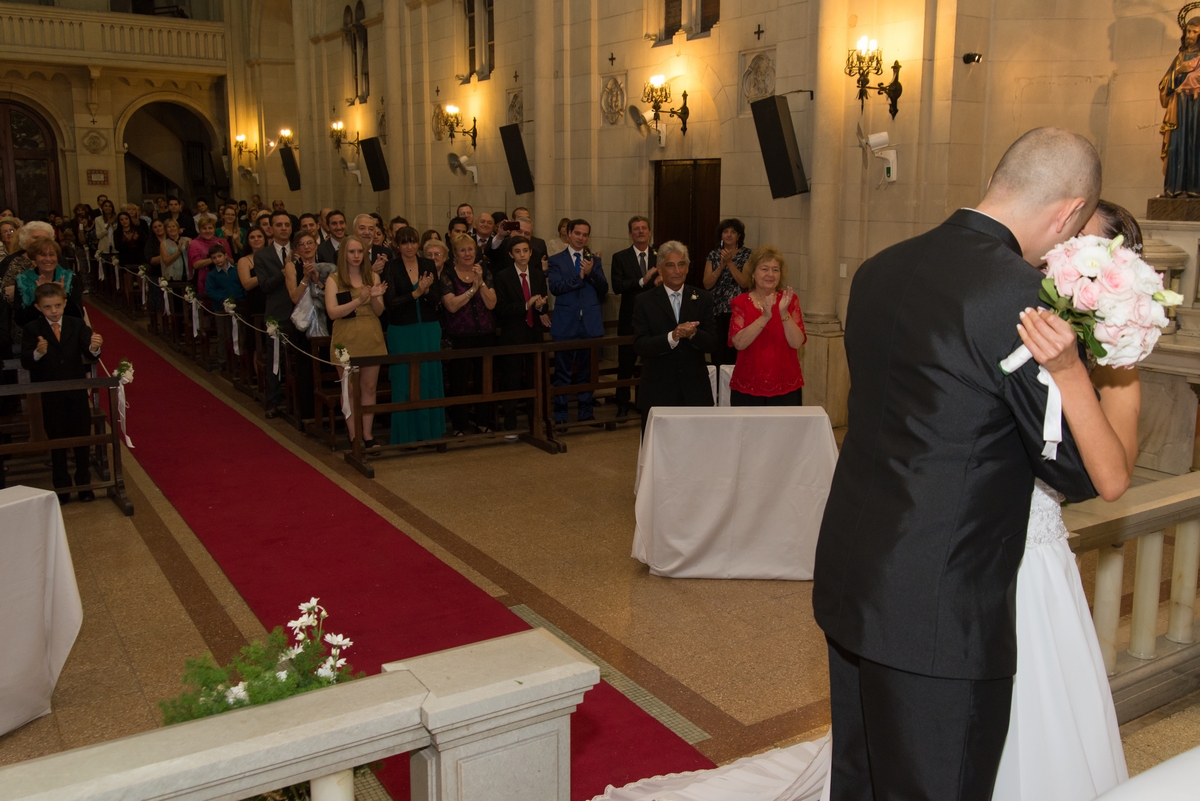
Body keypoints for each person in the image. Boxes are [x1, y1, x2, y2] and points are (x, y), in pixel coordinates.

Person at [813, 127, 1102, 801]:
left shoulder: (879, 267)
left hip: (856, 576)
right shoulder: (1019, 296)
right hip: (939, 609)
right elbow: (1076, 470)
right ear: (1066, 212)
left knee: (860, 780)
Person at [989, 198, 1143, 801]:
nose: (1061, 256)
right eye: (1064, 243)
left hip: (1033, 545)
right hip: (966, 532)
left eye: (1083, 248)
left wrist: (1071, 368)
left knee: (1037, 707)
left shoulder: (1116, 357)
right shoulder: (1002, 306)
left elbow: (1111, 480)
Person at [20, 283, 102, 503]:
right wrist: (38, 353)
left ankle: (84, 484)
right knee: (57, 440)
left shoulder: (77, 325)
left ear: (65, 303)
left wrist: (95, 347)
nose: (54, 311)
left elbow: (90, 354)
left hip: (76, 391)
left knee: (81, 437)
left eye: (57, 305)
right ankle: (62, 486)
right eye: (48, 307)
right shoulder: (32, 329)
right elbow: (26, 361)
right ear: (38, 307)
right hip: (50, 393)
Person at [631, 241, 715, 432]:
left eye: (682, 264)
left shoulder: (702, 298)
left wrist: (693, 334)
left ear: (687, 268)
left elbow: (712, 343)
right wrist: (672, 337)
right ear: (660, 269)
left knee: (696, 449)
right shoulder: (644, 301)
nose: (677, 270)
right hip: (658, 390)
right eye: (670, 265)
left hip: (695, 391)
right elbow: (640, 345)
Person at [383, 226, 445, 443]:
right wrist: (415, 293)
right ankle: (406, 437)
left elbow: (437, 299)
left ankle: (431, 433)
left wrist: (426, 292)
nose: (409, 246)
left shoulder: (427, 264)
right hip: (402, 330)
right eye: (404, 242)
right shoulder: (391, 267)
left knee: (430, 377)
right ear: (397, 245)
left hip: (428, 327)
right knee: (404, 382)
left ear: (418, 244)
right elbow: (390, 303)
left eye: (412, 242)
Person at [324, 235, 387, 446]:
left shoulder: (373, 277)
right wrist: (359, 300)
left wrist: (376, 297)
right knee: (349, 389)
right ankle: (354, 436)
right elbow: (333, 312)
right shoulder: (333, 280)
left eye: (360, 251)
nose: (357, 256)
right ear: (344, 254)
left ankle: (367, 435)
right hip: (346, 337)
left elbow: (379, 311)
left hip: (371, 335)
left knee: (369, 388)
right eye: (352, 252)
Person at [727, 245, 806, 406]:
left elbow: (797, 342)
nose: (770, 274)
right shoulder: (740, 303)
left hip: (786, 387)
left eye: (775, 270)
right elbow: (739, 343)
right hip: (747, 388)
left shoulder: (790, 301)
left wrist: (784, 313)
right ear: (753, 274)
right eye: (764, 269)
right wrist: (765, 317)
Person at [547, 218, 608, 424]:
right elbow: (555, 287)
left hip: (590, 323)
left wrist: (590, 274)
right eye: (577, 233)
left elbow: (604, 290)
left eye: (585, 235)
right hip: (566, 322)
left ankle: (585, 412)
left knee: (587, 371)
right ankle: (561, 413)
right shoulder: (556, 260)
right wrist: (579, 277)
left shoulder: (595, 261)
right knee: (563, 372)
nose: (581, 238)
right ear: (569, 234)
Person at [440, 232, 497, 435]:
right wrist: (472, 290)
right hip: (460, 336)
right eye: (462, 250)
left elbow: (491, 303)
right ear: (455, 254)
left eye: (470, 249)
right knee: (459, 382)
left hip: (484, 334)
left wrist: (480, 282)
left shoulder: (485, 272)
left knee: (484, 380)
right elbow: (452, 305)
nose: (467, 253)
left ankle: (482, 421)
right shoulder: (448, 274)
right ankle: (459, 425)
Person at [494, 235, 549, 433]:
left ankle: (535, 420)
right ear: (511, 254)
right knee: (512, 379)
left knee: (535, 378)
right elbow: (501, 308)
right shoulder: (503, 277)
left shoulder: (536, 275)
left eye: (525, 250)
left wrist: (541, 307)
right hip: (513, 335)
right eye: (517, 251)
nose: (522, 255)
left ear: (530, 252)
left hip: (533, 333)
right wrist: (526, 305)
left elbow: (543, 304)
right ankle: (510, 422)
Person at [609, 216, 658, 417]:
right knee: (626, 363)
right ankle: (621, 403)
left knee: (652, 363)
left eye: (643, 228)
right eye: (636, 229)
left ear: (649, 232)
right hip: (630, 318)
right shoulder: (620, 257)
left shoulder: (659, 257)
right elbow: (618, 286)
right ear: (630, 234)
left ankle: (649, 403)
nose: (640, 232)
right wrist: (642, 281)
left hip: (655, 319)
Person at [254, 210, 298, 418]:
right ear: (271, 228)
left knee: (299, 359)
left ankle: (298, 401)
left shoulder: (300, 249)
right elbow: (264, 286)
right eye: (279, 225)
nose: (284, 228)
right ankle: (273, 400)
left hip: (300, 312)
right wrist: (285, 270)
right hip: (277, 313)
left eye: (287, 225)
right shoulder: (263, 255)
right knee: (275, 360)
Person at [1159, 14, 1200, 197]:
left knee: (1195, 144)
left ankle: (1195, 189)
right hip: (1180, 108)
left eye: (1194, 32)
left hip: (1197, 108)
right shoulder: (1181, 57)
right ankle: (1175, 188)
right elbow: (1165, 84)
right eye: (1188, 31)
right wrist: (1178, 71)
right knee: (1176, 146)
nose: (1190, 35)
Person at [703, 218, 752, 367]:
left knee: (734, 352)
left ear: (739, 236)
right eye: (726, 231)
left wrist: (730, 263)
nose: (729, 235)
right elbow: (706, 284)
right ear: (721, 235)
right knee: (718, 350)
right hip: (716, 309)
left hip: (737, 310)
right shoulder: (713, 255)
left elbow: (745, 282)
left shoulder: (747, 254)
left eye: (733, 232)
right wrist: (720, 266)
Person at [12, 238, 84, 327]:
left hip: (66, 332)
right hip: (34, 333)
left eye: (52, 255)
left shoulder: (70, 278)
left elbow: (79, 315)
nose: (48, 259)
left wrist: (64, 295)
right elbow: (20, 320)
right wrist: (38, 296)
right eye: (43, 255)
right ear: (34, 258)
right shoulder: (22, 280)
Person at [204, 246, 244, 367]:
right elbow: (210, 291)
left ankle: (240, 357)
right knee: (223, 334)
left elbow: (243, 285)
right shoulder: (212, 275)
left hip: (238, 306)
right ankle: (224, 359)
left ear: (226, 255)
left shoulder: (236, 270)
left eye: (219, 256)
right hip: (220, 308)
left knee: (239, 333)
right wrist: (224, 299)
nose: (217, 259)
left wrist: (240, 298)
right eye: (214, 258)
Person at [188, 216, 232, 290]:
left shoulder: (222, 242)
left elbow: (232, 262)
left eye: (210, 228)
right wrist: (215, 257)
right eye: (204, 228)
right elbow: (195, 265)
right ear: (199, 230)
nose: (207, 231)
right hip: (203, 279)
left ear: (214, 229)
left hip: (223, 278)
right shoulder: (194, 243)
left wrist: (224, 254)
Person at [237, 226, 268, 318]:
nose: (256, 239)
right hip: (255, 303)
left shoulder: (273, 256)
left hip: (273, 301)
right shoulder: (244, 261)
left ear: (264, 239)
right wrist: (268, 274)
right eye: (252, 237)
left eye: (259, 236)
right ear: (248, 241)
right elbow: (247, 284)